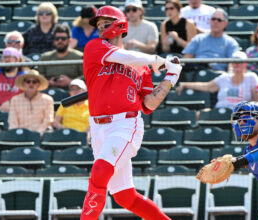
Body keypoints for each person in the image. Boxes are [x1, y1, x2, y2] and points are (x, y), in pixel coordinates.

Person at [80, 5, 182, 220]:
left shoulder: (142, 66)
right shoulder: (94, 46)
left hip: (125, 125)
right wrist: (159, 61)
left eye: (105, 23)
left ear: (120, 25)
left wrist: (170, 78)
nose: (101, 28)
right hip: (98, 128)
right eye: (98, 25)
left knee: (99, 173)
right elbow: (127, 58)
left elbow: (149, 104)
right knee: (124, 196)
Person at [176, 51, 258, 109]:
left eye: (240, 62)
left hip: (241, 116)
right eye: (234, 62)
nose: (237, 64)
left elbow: (257, 99)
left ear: (246, 64)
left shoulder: (251, 77)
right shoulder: (224, 78)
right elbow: (207, 86)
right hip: (220, 111)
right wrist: (185, 84)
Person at [8, 70, 54, 134]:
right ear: (23, 83)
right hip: (20, 135)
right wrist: (17, 133)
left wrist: (36, 134)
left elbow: (48, 121)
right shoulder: (15, 100)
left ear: (38, 84)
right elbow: (13, 121)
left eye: (34, 82)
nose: (31, 84)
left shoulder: (47, 100)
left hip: (41, 135)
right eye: (28, 81)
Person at [38, 24, 83, 89]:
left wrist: (70, 81)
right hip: (49, 92)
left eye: (63, 38)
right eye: (57, 38)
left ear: (69, 41)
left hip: (74, 93)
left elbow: (87, 77)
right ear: (53, 41)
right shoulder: (45, 58)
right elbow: (39, 78)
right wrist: (48, 82)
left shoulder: (79, 57)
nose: (60, 41)